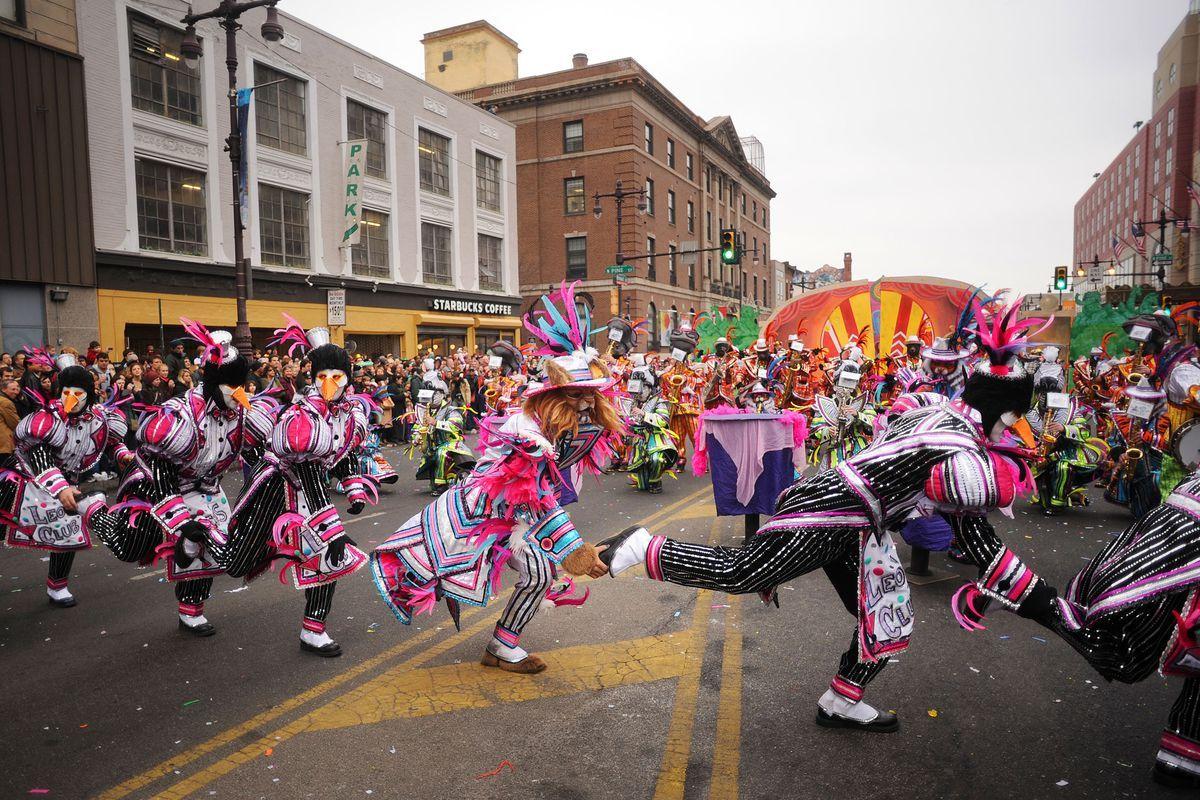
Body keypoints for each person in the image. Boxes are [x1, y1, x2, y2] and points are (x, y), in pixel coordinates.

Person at [598, 297, 1051, 732]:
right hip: (831, 508)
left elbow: (954, 507)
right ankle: (643, 546)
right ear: (1007, 414)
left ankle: (841, 700)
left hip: (861, 526)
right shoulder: (954, 440)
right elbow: (975, 527)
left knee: (886, 614)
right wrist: (1055, 609)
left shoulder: (938, 414)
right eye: (1015, 418)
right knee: (742, 573)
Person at [372, 282, 618, 674]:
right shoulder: (529, 436)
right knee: (531, 569)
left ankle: (502, 645)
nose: (587, 404)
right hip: (486, 514)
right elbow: (535, 498)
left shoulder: (562, 428)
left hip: (516, 516)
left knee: (539, 573)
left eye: (591, 395)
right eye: (576, 395)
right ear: (552, 396)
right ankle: (502, 646)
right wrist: (575, 551)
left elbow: (552, 488)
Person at [87, 321, 273, 635]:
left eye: (242, 384)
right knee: (130, 548)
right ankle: (93, 509)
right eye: (232, 385)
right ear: (214, 382)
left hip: (207, 487)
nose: (240, 393)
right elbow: (161, 473)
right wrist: (182, 522)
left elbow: (258, 461)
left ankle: (191, 611)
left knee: (212, 550)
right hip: (155, 485)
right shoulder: (180, 416)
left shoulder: (242, 413)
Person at [212, 317, 373, 657]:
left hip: (309, 501)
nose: (329, 384)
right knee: (237, 563)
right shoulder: (303, 416)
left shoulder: (351, 413)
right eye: (322, 376)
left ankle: (313, 631)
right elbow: (310, 470)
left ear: (348, 379)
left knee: (328, 561)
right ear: (313, 378)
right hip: (276, 492)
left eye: (337, 376)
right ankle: (200, 535)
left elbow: (342, 451)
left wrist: (353, 487)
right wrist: (334, 530)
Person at [0, 354, 132, 607]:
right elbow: (39, 457)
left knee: (67, 533)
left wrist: (122, 454)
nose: (70, 398)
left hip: (66, 485)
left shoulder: (99, 418)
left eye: (77, 393)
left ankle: (57, 586)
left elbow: (110, 442)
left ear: (89, 395)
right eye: (66, 392)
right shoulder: (47, 419)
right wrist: (60, 489)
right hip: (25, 481)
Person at [0, 377, 19, 468]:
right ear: (3, 389)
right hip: (4, 445)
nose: (16, 392)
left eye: (17, 389)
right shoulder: (6, 402)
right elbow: (15, 424)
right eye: (13, 389)